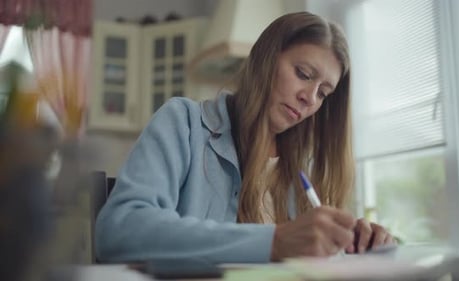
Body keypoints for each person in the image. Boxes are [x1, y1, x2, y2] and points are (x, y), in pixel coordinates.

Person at [95, 11, 394, 263]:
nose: (309, 98)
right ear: (266, 59)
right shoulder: (183, 124)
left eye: (323, 93)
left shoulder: (306, 165)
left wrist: (351, 243)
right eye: (303, 74)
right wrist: (275, 241)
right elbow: (120, 229)